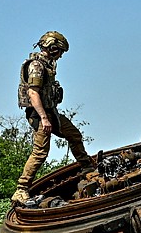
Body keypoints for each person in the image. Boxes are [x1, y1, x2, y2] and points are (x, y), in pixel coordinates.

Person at [12, 30, 92, 204]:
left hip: (51, 112)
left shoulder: (47, 65)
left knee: (73, 134)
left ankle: (87, 167)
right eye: (60, 51)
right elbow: (33, 93)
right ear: (53, 48)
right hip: (40, 114)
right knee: (40, 152)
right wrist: (44, 118)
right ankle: (21, 190)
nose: (61, 56)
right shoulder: (37, 66)